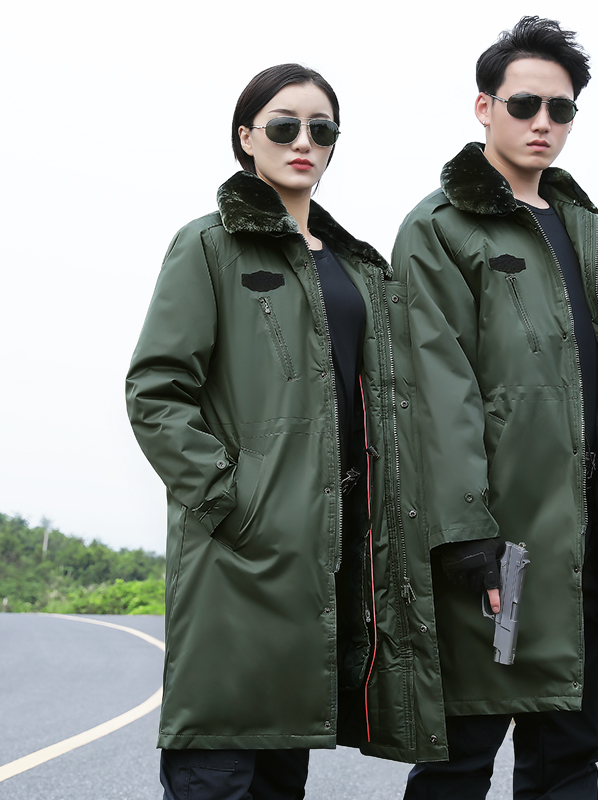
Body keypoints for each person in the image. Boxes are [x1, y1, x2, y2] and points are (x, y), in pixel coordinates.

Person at [125, 63, 445, 799]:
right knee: (216, 764)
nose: (304, 141)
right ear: (247, 137)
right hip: (237, 553)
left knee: (279, 772)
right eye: (284, 125)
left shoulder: (359, 268)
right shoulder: (209, 245)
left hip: (328, 555)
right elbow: (156, 390)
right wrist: (232, 500)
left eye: (321, 128)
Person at [390, 17, 598, 800]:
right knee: (460, 759)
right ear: (484, 107)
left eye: (561, 109)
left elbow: (574, 374)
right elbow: (433, 395)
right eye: (524, 104)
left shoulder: (583, 224)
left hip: (581, 542)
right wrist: (466, 536)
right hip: (495, 544)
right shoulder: (439, 228)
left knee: (568, 761)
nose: (543, 122)